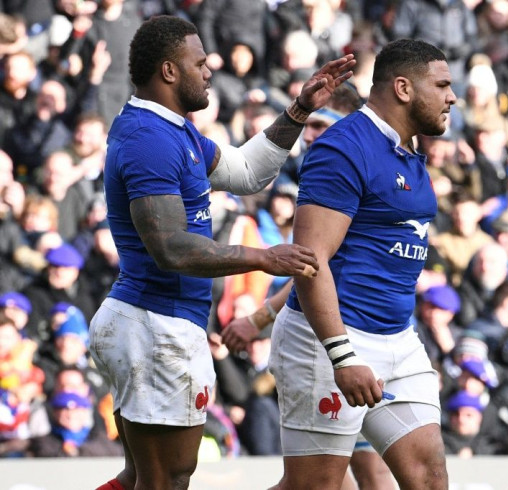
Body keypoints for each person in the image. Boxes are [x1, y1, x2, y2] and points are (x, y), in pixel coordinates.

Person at [86, 15, 355, 490]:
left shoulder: (174, 132)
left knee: (143, 479)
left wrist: (297, 111)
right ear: (169, 72)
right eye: (199, 62)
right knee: (167, 480)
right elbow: (171, 248)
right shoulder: (149, 139)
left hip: (151, 325)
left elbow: (249, 171)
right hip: (155, 326)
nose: (209, 71)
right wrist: (263, 257)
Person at [267, 38, 454, 490]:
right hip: (330, 342)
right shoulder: (343, 149)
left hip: (398, 340)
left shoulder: (407, 149)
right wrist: (343, 355)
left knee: (429, 478)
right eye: (443, 85)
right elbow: (309, 261)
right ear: (404, 88)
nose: (452, 96)